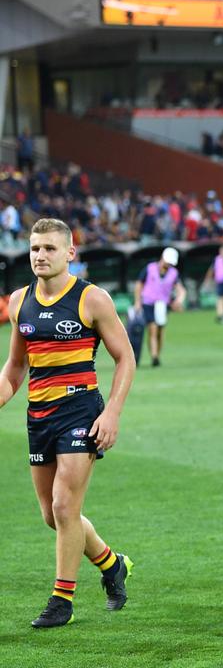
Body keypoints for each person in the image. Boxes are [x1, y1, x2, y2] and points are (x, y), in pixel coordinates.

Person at [0, 218, 136, 628]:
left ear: (70, 253)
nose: (40, 255)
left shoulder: (92, 300)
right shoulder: (19, 301)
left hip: (80, 411)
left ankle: (62, 600)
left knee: (64, 505)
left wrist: (111, 411)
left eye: (50, 249)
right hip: (38, 415)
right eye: (35, 248)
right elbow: (15, 367)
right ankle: (112, 564)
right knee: (53, 514)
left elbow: (125, 358)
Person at [133, 247, 187, 367]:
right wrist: (137, 301)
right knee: (153, 328)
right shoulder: (149, 268)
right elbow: (139, 285)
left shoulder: (173, 273)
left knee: (160, 331)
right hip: (148, 302)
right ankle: (154, 356)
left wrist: (179, 300)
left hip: (163, 305)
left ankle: (157, 354)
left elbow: (181, 290)